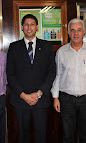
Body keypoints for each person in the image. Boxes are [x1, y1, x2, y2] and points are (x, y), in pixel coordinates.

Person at [51, 18, 86, 143]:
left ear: (84, 32)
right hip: (67, 100)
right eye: (73, 30)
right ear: (68, 32)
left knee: (85, 135)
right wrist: (55, 97)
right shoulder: (61, 52)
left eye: (79, 30)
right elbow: (57, 75)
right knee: (67, 135)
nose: (76, 33)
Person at [6, 14, 56, 143]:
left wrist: (39, 93)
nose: (29, 27)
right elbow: (10, 74)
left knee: (41, 135)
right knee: (23, 136)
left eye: (32, 24)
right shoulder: (13, 47)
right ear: (22, 27)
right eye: (26, 24)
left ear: (37, 27)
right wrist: (23, 95)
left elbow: (51, 72)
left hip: (41, 100)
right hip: (20, 100)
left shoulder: (46, 46)